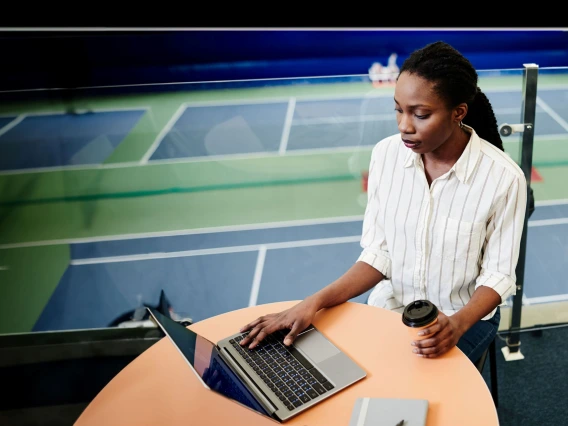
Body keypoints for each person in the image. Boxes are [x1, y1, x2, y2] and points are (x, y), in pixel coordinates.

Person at [239, 41, 528, 364]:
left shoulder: (504, 178)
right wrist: (313, 302)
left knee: (414, 390)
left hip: (464, 318)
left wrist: (456, 325)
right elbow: (380, 254)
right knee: (342, 372)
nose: (404, 126)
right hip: (392, 307)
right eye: (398, 109)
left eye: (420, 114)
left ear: (458, 112)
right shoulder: (386, 156)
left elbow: (498, 275)